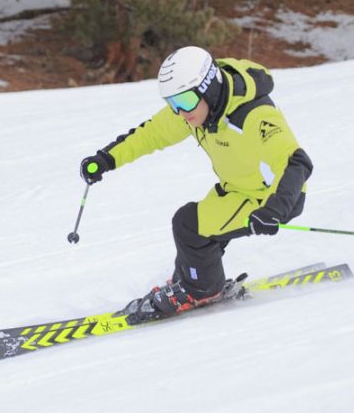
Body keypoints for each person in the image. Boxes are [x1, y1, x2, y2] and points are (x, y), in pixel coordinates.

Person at [78, 45, 313, 320]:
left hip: (271, 198)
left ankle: (201, 290)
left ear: (209, 87)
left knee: (189, 226)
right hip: (236, 190)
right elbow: (151, 134)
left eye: (185, 101)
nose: (180, 112)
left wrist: (274, 210)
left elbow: (297, 163)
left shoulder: (255, 115)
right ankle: (193, 282)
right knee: (195, 238)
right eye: (172, 103)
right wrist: (107, 159)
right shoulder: (197, 109)